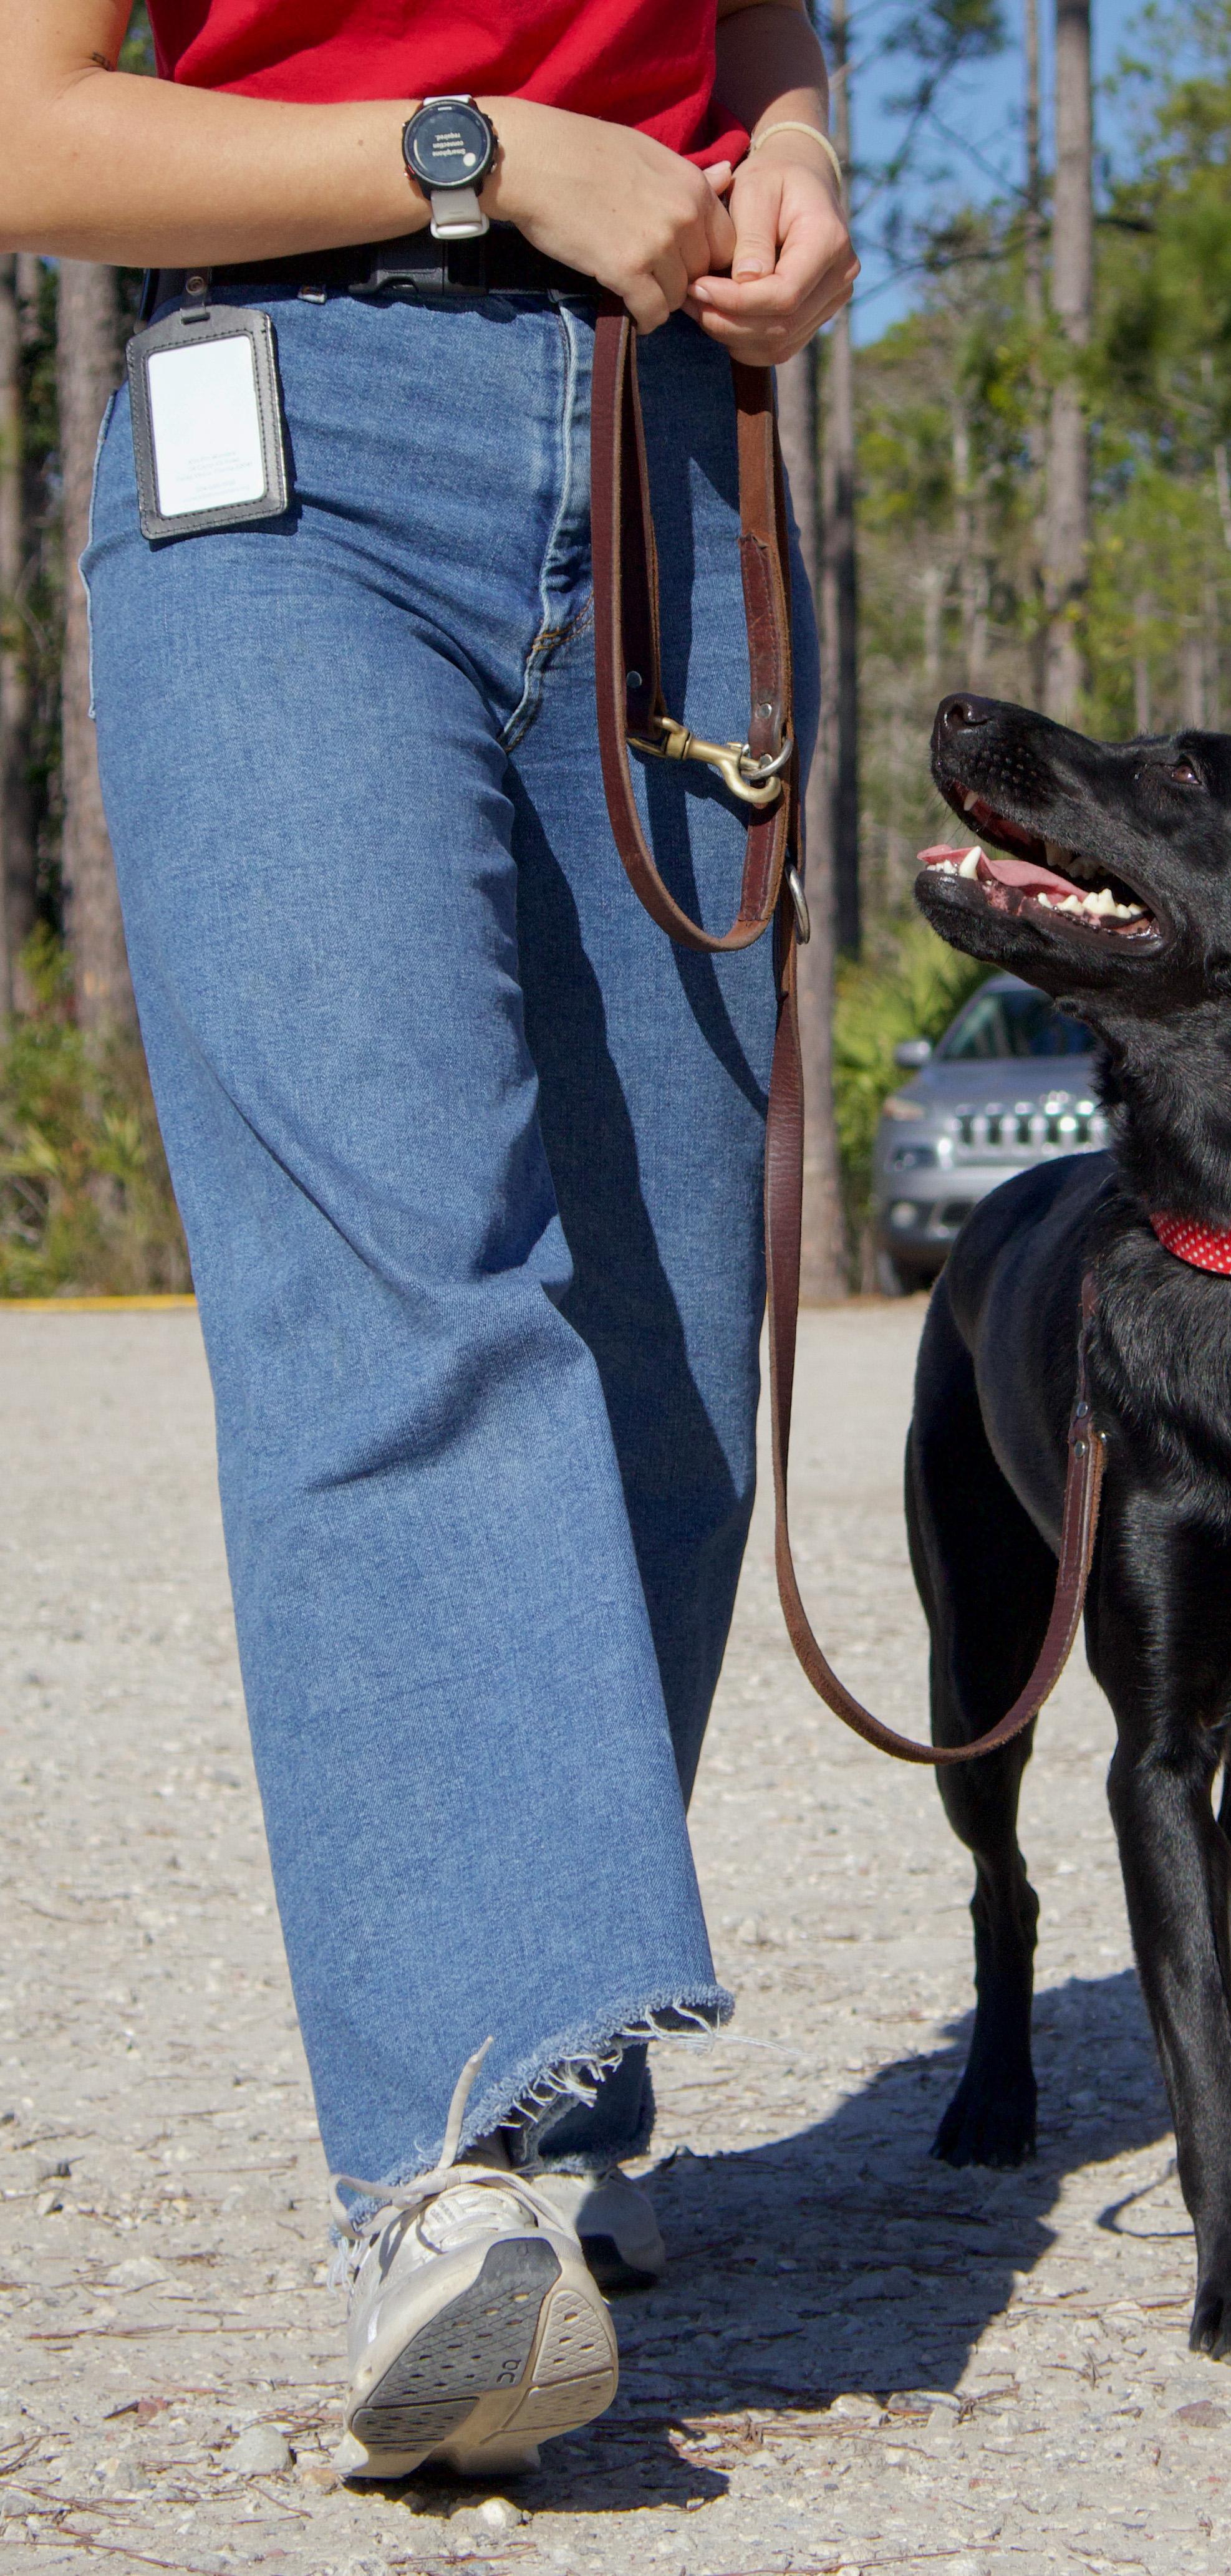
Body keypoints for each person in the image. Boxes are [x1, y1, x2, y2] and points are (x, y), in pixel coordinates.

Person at [1, 0, 854, 2483]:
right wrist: (474, 162)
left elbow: (765, 46)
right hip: (288, 455)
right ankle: (455, 2164)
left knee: (668, 1348)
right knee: (402, 1293)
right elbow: (32, 132)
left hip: (661, 462)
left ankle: (563, 2080)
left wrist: (787, 175)